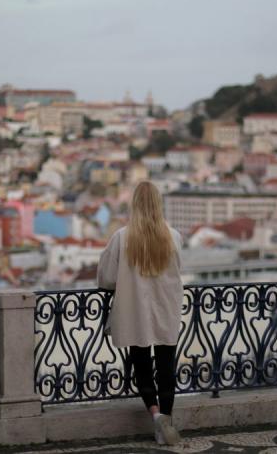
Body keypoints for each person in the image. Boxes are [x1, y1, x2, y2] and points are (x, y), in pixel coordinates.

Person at [98, 181, 184, 446]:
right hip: (165, 309)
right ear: (159, 205)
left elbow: (107, 279)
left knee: (142, 366)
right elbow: (179, 270)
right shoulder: (174, 236)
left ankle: (156, 416)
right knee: (167, 367)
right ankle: (166, 420)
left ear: (134, 205)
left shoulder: (122, 237)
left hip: (134, 311)